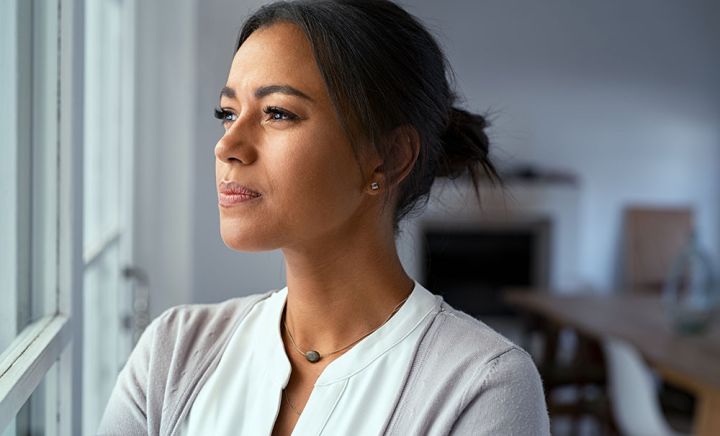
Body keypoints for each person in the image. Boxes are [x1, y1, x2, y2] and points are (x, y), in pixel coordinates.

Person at [97, 1, 550, 435]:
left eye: (277, 113)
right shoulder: (174, 352)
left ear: (388, 158)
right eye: (228, 113)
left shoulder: (483, 387)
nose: (226, 146)